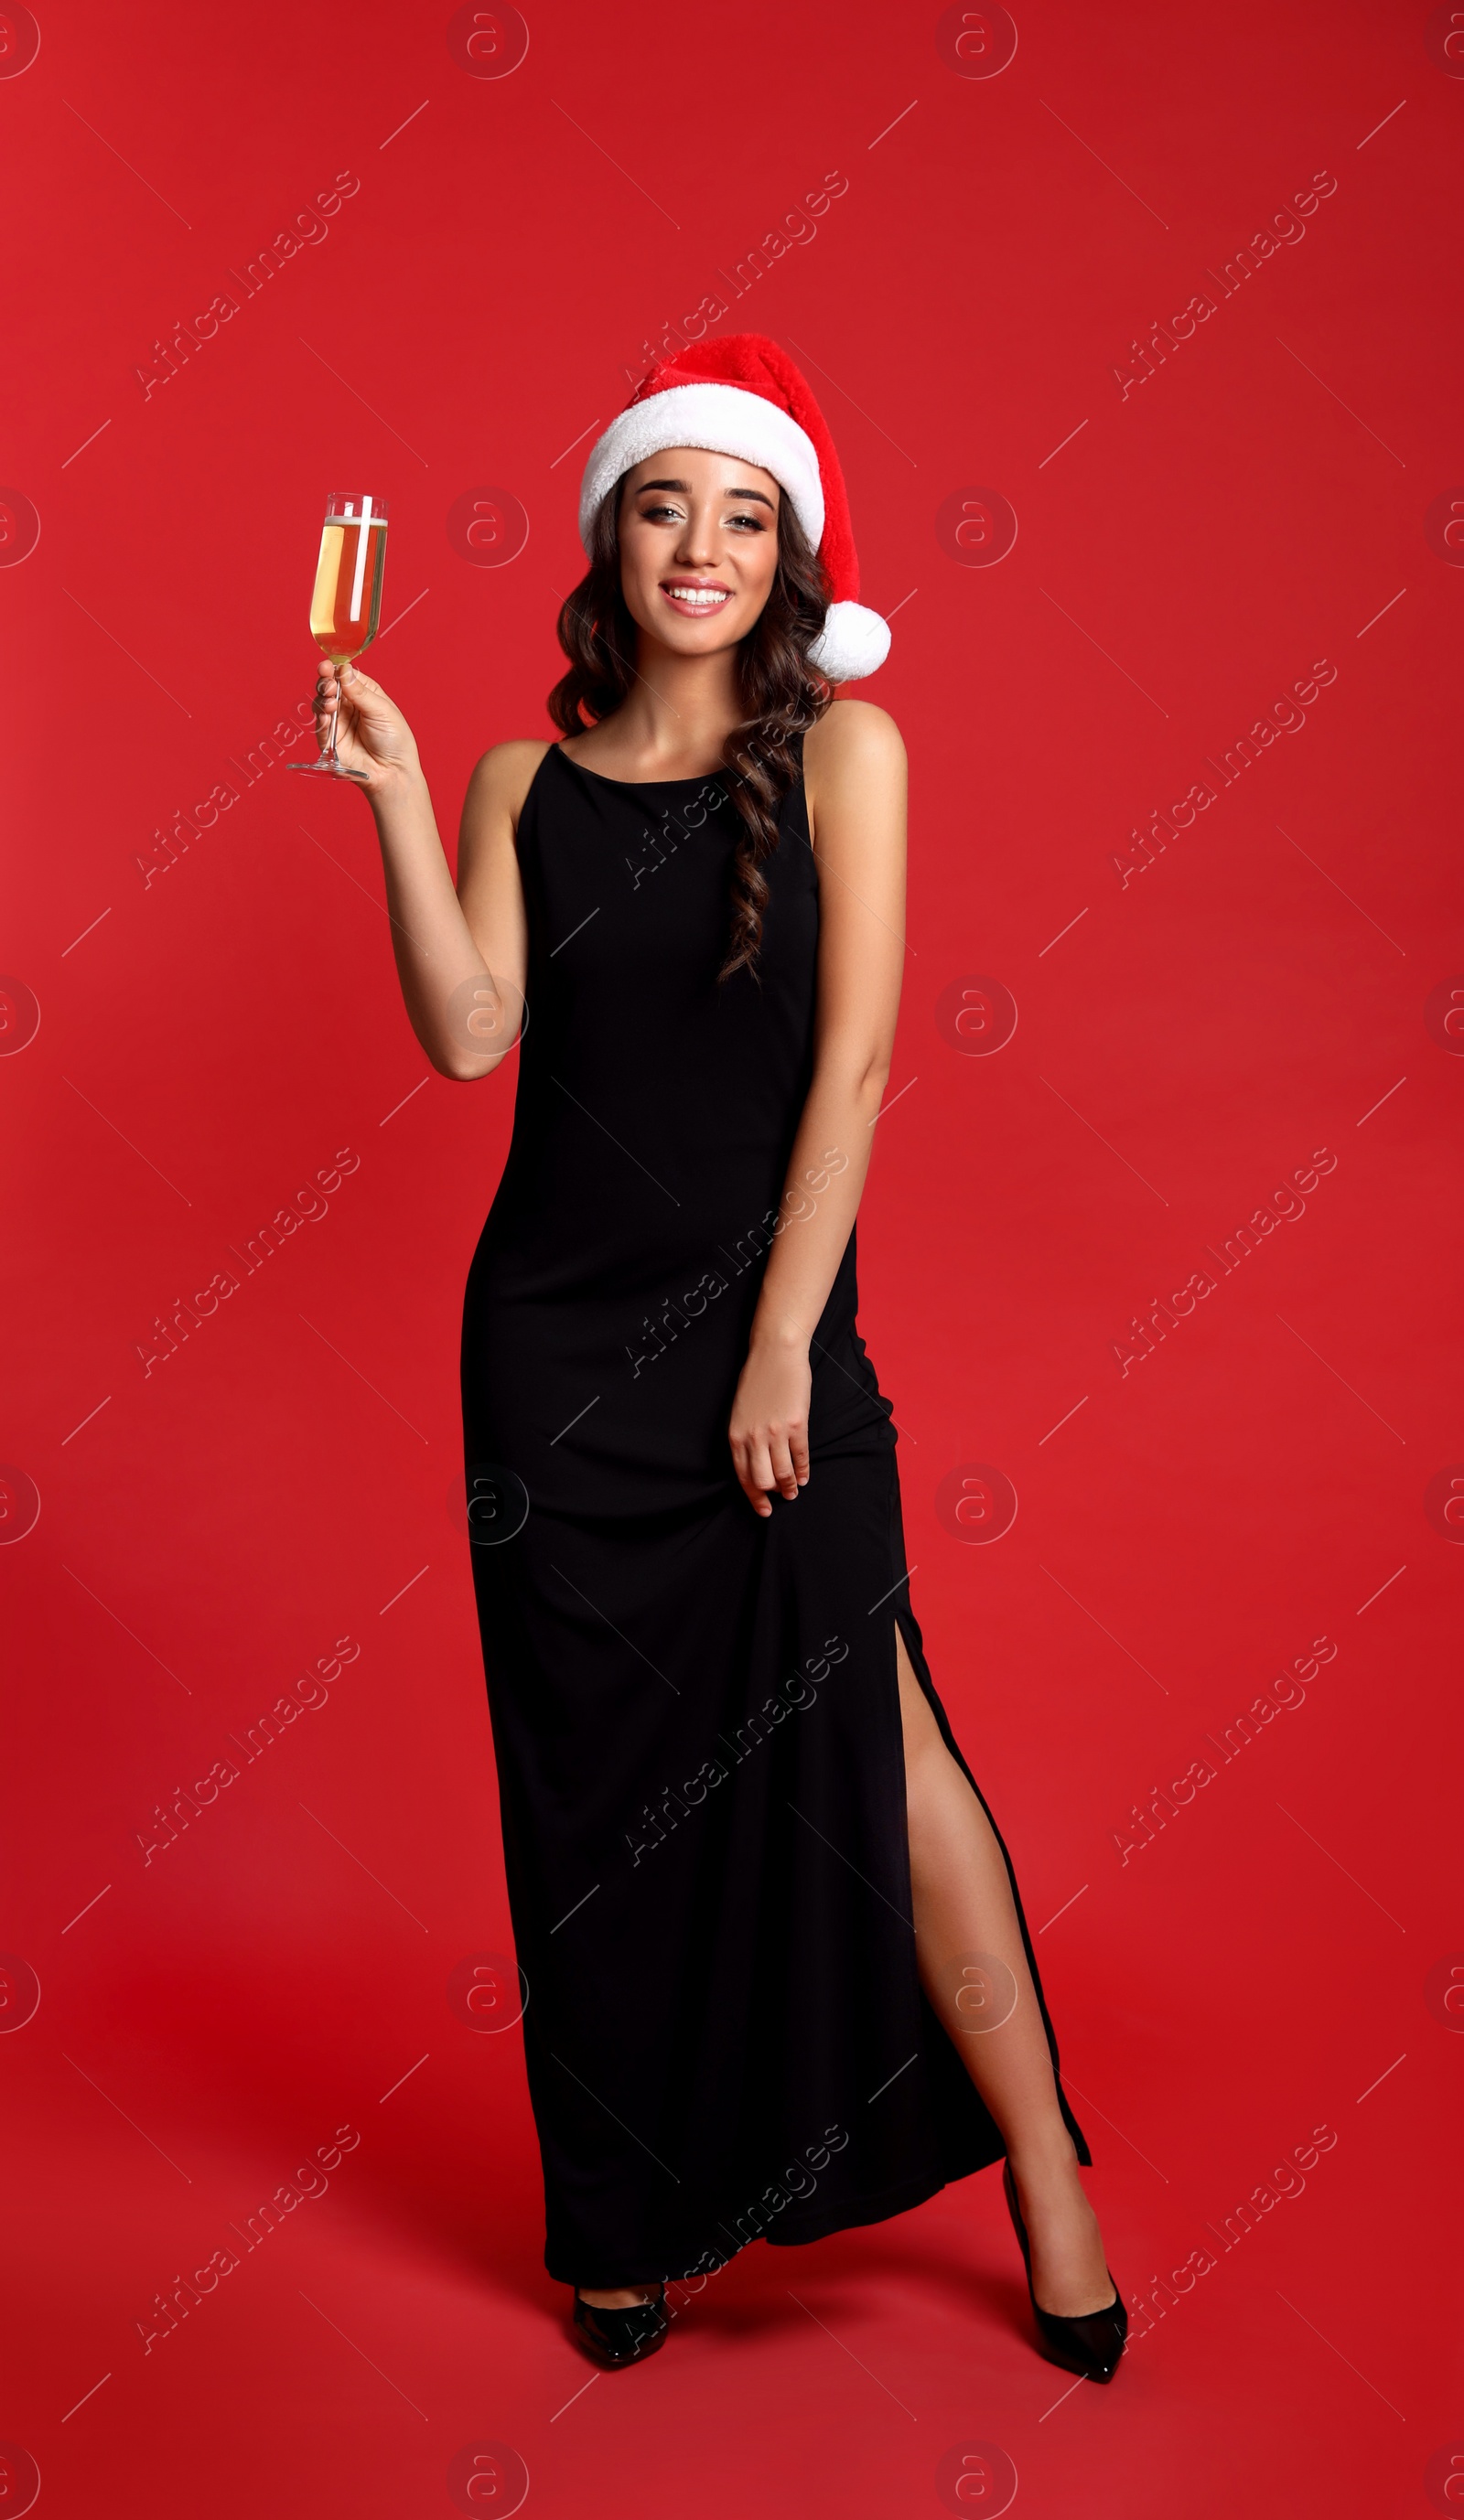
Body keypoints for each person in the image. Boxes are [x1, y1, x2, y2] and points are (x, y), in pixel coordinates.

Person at [307, 334, 1126, 2385]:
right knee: (596, 1804)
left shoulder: (851, 753)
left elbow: (852, 1064)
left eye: (743, 514)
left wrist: (777, 1348)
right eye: (667, 503)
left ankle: (1044, 2175)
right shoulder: (518, 775)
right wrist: (405, 801)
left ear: (789, 559)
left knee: (886, 1744)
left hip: (768, 1355)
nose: (700, 544)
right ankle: (622, 2219)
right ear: (612, 537)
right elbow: (472, 1033)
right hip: (554, 1374)